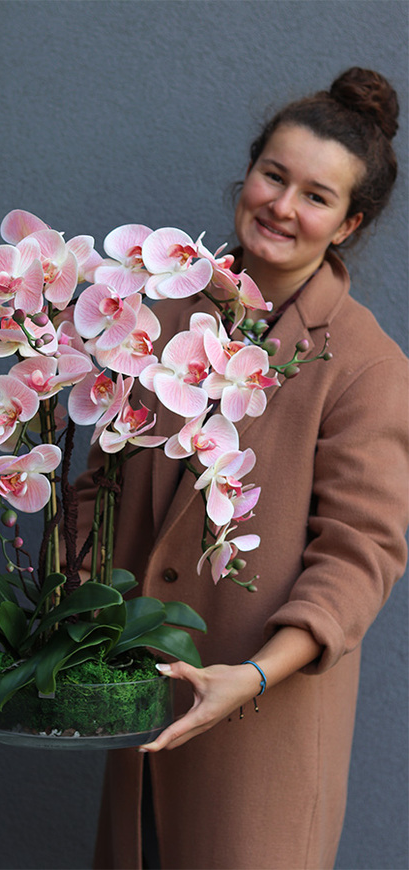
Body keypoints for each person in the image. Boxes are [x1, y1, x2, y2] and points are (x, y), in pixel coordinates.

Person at [75, 68, 409, 869]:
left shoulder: (362, 365)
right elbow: (98, 486)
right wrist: (79, 620)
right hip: (139, 716)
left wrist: (252, 676)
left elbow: (360, 556)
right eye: (273, 174)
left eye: (318, 197)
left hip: (262, 729)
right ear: (248, 170)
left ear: (349, 225)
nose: (283, 207)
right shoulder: (159, 317)